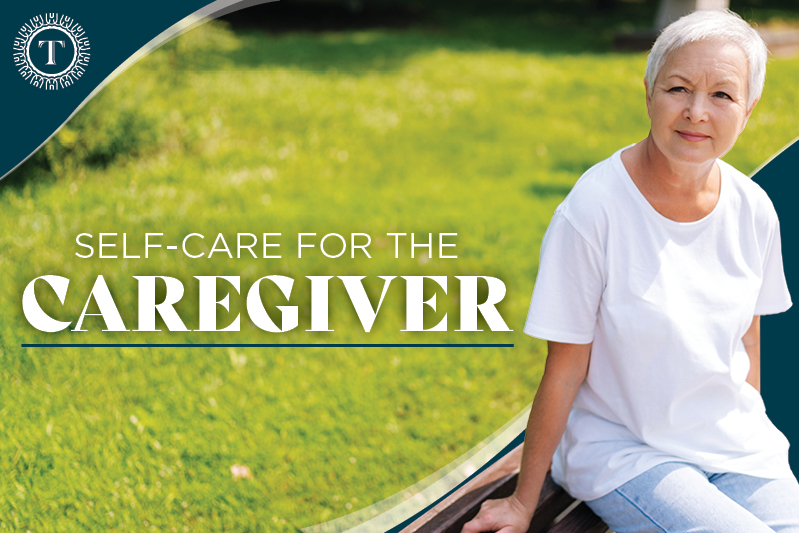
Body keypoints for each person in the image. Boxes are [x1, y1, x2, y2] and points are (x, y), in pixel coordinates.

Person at [462, 9, 799, 533]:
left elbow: (748, 339)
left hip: (736, 449)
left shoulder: (753, 208)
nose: (696, 112)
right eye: (678, 88)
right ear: (648, 92)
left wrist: (745, 431)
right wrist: (523, 502)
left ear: (748, 109)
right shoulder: (594, 209)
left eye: (722, 96)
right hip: (629, 452)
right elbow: (565, 367)